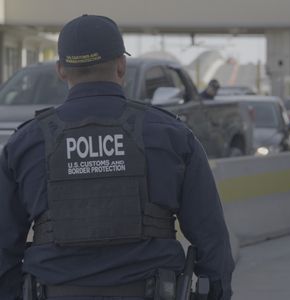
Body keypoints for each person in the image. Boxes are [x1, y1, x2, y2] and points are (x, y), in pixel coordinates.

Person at [0, 15, 234, 300]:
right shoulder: (172, 136)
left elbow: (4, 245)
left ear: (61, 70)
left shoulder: (25, 143)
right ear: (121, 66)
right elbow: (210, 234)